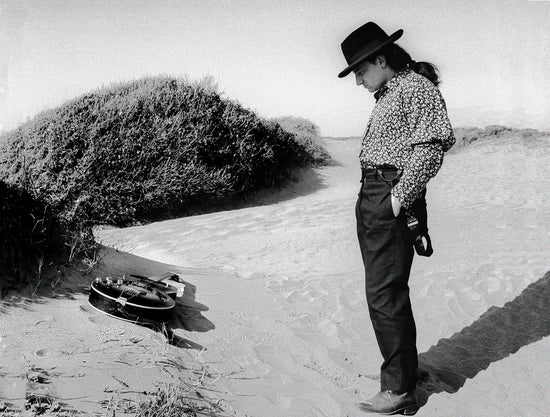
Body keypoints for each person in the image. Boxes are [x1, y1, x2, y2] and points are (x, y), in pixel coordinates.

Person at [338, 21, 455, 415]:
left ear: (381, 59)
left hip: (390, 195)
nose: (358, 81)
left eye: (360, 70)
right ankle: (402, 371)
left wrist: (397, 198)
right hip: (374, 193)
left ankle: (400, 389)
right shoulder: (391, 91)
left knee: (384, 294)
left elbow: (430, 148)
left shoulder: (414, 88)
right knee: (384, 291)